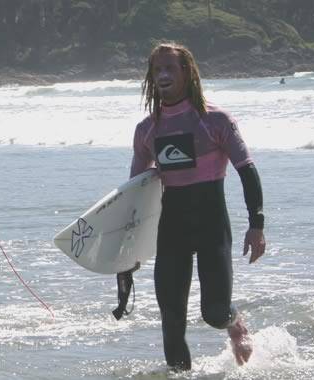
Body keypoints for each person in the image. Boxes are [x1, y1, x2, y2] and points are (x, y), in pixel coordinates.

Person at [127, 42, 266, 371]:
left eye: (169, 68)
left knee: (214, 313)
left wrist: (256, 225)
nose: (162, 75)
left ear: (186, 72)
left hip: (211, 226)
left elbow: (247, 170)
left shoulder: (215, 120)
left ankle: (234, 322)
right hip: (171, 230)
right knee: (172, 321)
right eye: (156, 69)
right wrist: (128, 251)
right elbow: (134, 194)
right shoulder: (147, 130)